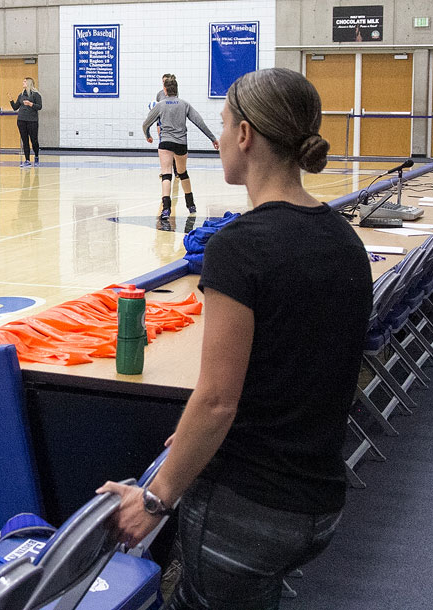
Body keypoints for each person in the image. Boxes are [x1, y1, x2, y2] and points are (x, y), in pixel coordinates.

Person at [99, 68, 373, 610]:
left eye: (224, 126)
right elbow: (300, 367)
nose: (219, 138)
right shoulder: (345, 240)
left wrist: (155, 498)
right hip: (318, 503)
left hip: (248, 510)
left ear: (245, 135)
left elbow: (218, 400)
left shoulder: (239, 248)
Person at [142, 77, 218, 218]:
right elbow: (199, 122)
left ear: (165, 90)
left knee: (166, 174)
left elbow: (146, 124)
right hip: (181, 143)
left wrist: (148, 136)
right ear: (177, 89)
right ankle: (191, 204)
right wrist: (212, 138)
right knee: (183, 173)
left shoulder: (160, 105)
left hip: (165, 142)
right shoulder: (184, 104)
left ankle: (166, 209)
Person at [9, 77, 42, 166]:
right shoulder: (21, 95)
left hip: (32, 120)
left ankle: (36, 155)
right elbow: (15, 107)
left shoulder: (36, 95)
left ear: (29, 83)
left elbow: (39, 107)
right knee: (25, 140)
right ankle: (27, 160)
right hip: (21, 120)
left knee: (34, 140)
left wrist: (31, 104)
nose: (23, 83)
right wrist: (11, 100)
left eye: (24, 81)